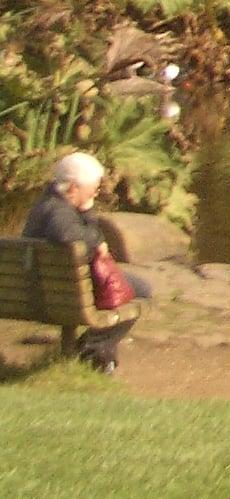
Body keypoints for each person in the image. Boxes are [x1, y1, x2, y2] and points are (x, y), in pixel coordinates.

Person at [20, 152, 148, 373]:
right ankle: (92, 349)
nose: (96, 193)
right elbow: (65, 233)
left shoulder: (46, 203)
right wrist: (97, 239)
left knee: (134, 286)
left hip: (42, 290)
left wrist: (87, 213)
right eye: (93, 188)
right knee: (141, 289)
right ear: (73, 188)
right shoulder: (57, 211)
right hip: (66, 293)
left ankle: (94, 351)